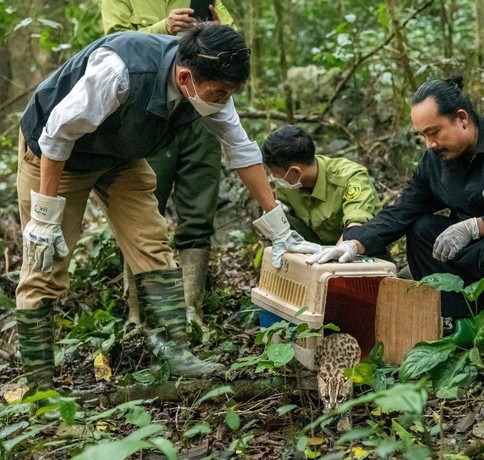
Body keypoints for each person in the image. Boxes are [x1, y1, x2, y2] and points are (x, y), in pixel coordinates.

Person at [15, 24, 319, 391]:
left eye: (231, 92)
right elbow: (57, 134)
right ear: (186, 76)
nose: (224, 99)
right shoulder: (120, 71)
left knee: (152, 245)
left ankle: (176, 353)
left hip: (120, 158)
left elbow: (241, 150)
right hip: (57, 158)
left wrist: (280, 230)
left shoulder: (210, 85)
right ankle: (39, 385)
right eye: (221, 92)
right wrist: (45, 217)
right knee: (44, 263)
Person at [308, 76, 484, 339]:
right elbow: (403, 209)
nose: (430, 144)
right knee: (421, 229)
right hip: (483, 250)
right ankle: (463, 321)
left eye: (434, 132)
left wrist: (476, 226)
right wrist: (354, 244)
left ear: (462, 119)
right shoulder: (435, 160)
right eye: (422, 136)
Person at [100, 0, 236, 329]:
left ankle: (192, 310)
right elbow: (111, 44)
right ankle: (137, 312)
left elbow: (233, 45)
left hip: (199, 110)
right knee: (142, 212)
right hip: (149, 108)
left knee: (199, 211)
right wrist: (164, 27)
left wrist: (217, 32)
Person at [261, 124, 382, 246]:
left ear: (296, 171)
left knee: (357, 235)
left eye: (276, 174)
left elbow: (357, 223)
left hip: (361, 247)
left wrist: (339, 256)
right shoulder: (288, 183)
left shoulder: (350, 176)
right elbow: (287, 219)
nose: (276, 179)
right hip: (317, 246)